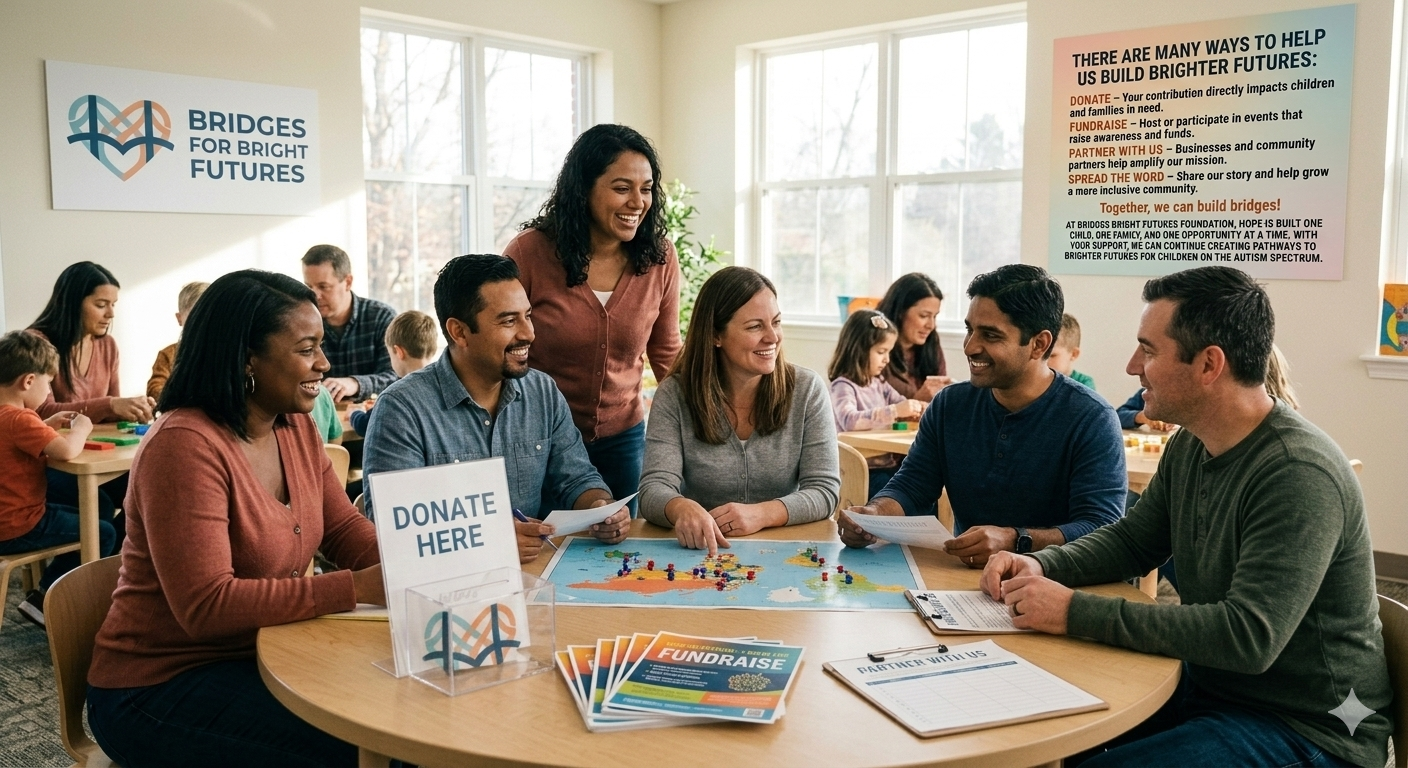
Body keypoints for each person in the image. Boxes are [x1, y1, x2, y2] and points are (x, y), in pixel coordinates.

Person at [980, 266, 1389, 768]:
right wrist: (1043, 565)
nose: (1133, 367)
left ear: (1209, 365)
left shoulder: (1297, 472)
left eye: (1148, 350)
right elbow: (1133, 541)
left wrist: (1072, 611)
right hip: (1215, 691)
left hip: (1310, 728)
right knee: (1047, 722)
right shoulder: (1191, 442)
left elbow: (1248, 638)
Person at [86, 270, 384, 766]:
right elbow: (207, 605)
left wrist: (425, 562)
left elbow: (343, 529)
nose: (324, 363)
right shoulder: (184, 446)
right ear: (247, 358)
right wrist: (358, 588)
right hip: (158, 688)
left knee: (387, 710)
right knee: (366, 746)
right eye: (306, 348)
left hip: (260, 656)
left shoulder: (294, 425)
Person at [839, 264, 1125, 558]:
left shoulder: (1092, 418)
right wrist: (872, 516)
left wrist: (1015, 540)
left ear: (1039, 344)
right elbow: (913, 486)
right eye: (970, 330)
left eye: (990, 335)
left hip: (1056, 585)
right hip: (969, 582)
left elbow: (1101, 527)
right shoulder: (950, 405)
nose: (970, 347)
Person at [363, 255, 629, 564]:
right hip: (447, 590)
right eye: (508, 321)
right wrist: (490, 540)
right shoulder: (402, 409)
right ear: (459, 332)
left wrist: (600, 507)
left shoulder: (542, 392)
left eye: (527, 316)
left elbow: (575, 478)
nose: (528, 333)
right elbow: (392, 532)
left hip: (532, 579)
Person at [504, 124, 681, 514]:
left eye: (647, 188)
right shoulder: (530, 253)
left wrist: (708, 416)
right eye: (622, 188)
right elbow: (503, 346)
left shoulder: (659, 259)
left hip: (624, 440)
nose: (638, 201)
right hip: (540, 439)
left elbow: (667, 353)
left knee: (618, 554)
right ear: (584, 189)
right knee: (544, 549)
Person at [639, 267, 840, 555]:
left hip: (788, 557)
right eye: (755, 326)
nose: (772, 337)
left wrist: (761, 514)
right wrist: (680, 507)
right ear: (715, 335)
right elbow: (653, 490)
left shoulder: (807, 390)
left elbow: (824, 491)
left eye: (776, 322)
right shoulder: (675, 394)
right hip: (702, 557)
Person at [0, 331, 115, 629]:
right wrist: (83, 427)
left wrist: (45, 424)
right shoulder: (19, 419)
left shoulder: (11, 418)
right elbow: (65, 451)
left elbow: (17, 438)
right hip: (20, 525)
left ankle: (53, 590)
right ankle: (45, 599)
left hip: (6, 520)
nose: (49, 390)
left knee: (94, 513)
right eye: (48, 382)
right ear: (28, 381)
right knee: (102, 532)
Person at [28, 262, 155, 423]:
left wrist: (134, 408)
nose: (111, 314)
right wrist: (110, 405)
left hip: (96, 445)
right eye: (100, 305)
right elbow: (42, 413)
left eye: (113, 304)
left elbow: (111, 412)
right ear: (73, 303)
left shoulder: (108, 346)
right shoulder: (34, 344)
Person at [826, 309, 925, 492]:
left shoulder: (879, 383)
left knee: (920, 484)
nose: (887, 359)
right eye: (881, 352)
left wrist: (919, 409)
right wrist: (896, 411)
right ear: (859, 350)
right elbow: (850, 420)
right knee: (900, 492)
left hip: (885, 465)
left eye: (888, 352)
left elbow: (901, 402)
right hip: (859, 471)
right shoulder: (843, 386)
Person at [301, 244, 396, 403]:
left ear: (348, 282)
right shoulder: (303, 323)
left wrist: (356, 384)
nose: (315, 295)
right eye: (309, 286)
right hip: (321, 420)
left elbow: (396, 376)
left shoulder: (382, 317)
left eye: (323, 286)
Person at [349, 310, 439, 437]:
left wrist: (355, 414)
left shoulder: (397, 395)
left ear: (398, 352)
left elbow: (365, 425)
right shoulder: (441, 384)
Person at [876, 273, 951, 402]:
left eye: (935, 316)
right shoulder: (874, 348)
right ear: (900, 312)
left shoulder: (931, 344)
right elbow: (868, 410)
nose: (931, 325)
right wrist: (916, 400)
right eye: (923, 316)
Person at [146, 280, 209, 401]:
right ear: (179, 319)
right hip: (181, 413)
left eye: (209, 315)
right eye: (195, 317)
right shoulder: (168, 355)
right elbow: (154, 389)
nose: (203, 323)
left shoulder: (224, 352)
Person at [1048, 313, 1095, 389]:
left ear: (1074, 354)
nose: (1044, 361)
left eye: (1051, 355)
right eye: (1042, 355)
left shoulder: (1084, 384)